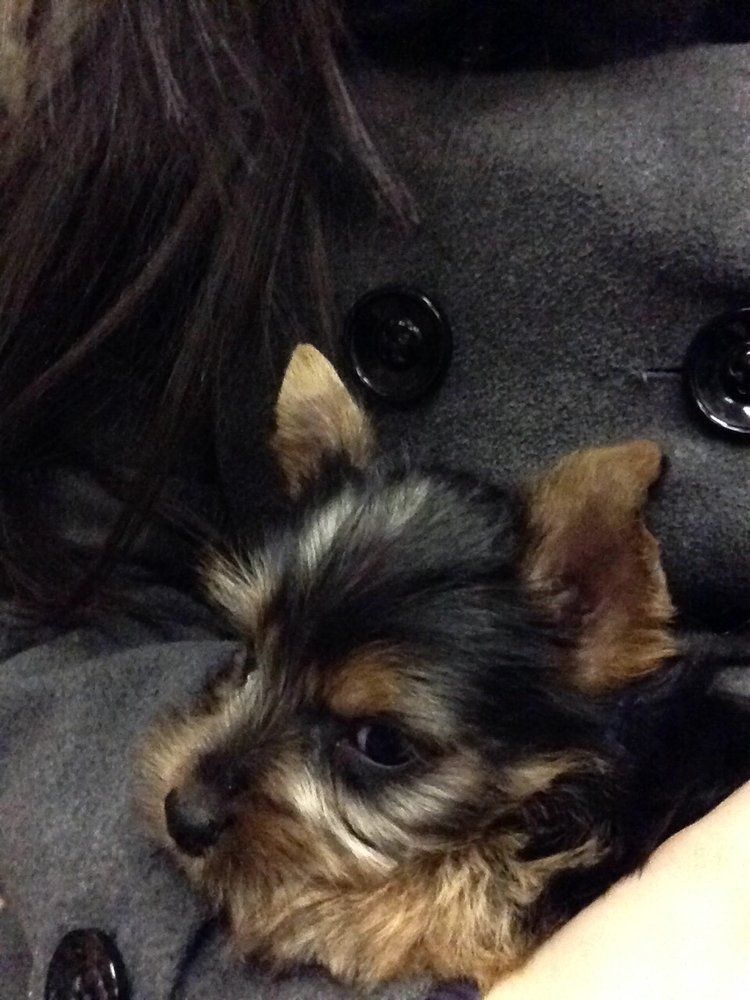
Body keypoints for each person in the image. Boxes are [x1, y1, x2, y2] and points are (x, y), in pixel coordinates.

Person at [1, 3, 749, 998]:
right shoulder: (161, 74)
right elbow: (54, 597)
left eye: (380, 744)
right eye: (249, 658)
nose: (200, 794)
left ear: (591, 612)